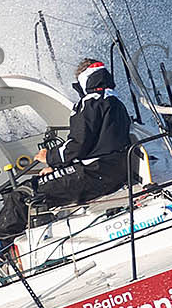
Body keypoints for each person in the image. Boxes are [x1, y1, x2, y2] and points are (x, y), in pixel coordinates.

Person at [32, 58, 135, 209]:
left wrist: (49, 157)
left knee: (27, 193)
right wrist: (58, 168)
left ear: (84, 80)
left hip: (96, 174)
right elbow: (93, 146)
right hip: (115, 171)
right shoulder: (116, 101)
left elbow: (78, 144)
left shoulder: (90, 103)